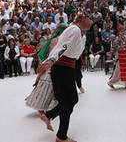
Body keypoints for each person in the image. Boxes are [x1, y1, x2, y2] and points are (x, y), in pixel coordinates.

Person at [36, 12, 92, 142]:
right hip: (62, 67)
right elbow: (62, 46)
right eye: (90, 19)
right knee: (70, 101)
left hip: (65, 68)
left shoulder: (78, 31)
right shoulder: (74, 29)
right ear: (82, 19)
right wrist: (51, 60)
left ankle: (49, 116)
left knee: (69, 101)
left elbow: (75, 52)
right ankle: (61, 136)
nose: (92, 22)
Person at [26, 23, 68, 121]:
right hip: (53, 64)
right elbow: (52, 53)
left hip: (60, 64)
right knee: (48, 85)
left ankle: (52, 106)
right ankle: (41, 107)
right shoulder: (55, 40)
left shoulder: (63, 39)